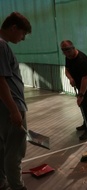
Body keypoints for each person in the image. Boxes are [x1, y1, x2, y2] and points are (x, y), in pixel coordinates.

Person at [0, 12, 32, 190]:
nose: (23, 38)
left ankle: (2, 181)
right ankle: (17, 187)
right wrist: (14, 110)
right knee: (15, 151)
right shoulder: (1, 46)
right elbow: (1, 80)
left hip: (3, 107)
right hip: (9, 107)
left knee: (3, 147)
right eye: (23, 33)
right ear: (14, 28)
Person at [60, 40, 87, 141]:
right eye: (64, 51)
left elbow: (86, 78)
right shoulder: (68, 57)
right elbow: (67, 70)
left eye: (68, 50)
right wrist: (71, 78)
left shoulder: (82, 60)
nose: (66, 53)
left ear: (73, 48)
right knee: (82, 106)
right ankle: (85, 124)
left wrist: (81, 95)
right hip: (79, 84)